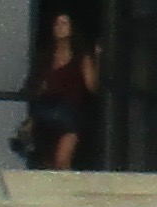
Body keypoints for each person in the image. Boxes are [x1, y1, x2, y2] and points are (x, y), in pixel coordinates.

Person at [23, 12, 100, 170]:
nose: (60, 28)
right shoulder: (46, 58)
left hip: (69, 113)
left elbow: (92, 87)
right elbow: (33, 86)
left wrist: (98, 61)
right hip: (46, 114)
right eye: (57, 24)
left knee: (62, 162)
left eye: (64, 23)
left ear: (72, 29)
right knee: (45, 163)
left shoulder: (80, 58)